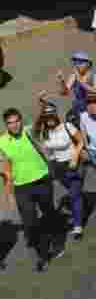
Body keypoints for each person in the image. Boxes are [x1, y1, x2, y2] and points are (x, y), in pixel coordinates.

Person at [0, 108, 58, 272]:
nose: (14, 125)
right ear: (6, 125)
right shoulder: (2, 142)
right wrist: (8, 193)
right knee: (30, 223)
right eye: (10, 123)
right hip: (22, 187)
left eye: (17, 121)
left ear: (21, 121)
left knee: (48, 212)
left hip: (42, 181)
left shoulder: (28, 131)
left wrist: (40, 107)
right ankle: (43, 256)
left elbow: (38, 122)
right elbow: (6, 168)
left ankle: (56, 236)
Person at [33, 101, 84, 240]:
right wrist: (41, 107)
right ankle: (79, 204)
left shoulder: (67, 127)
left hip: (74, 164)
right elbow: (35, 130)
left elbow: (81, 141)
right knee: (72, 191)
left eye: (51, 116)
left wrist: (75, 156)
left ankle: (78, 225)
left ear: (56, 116)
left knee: (74, 194)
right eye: (46, 117)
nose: (49, 119)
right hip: (58, 167)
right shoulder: (44, 131)